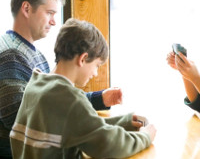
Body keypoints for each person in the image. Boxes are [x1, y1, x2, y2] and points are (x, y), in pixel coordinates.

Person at [0, 0, 121, 158]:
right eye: (49, 13)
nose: (54, 22)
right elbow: (19, 119)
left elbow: (50, 102)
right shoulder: (12, 55)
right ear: (26, 9)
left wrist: (98, 99)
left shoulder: (29, 52)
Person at [9, 18, 157, 158]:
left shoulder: (36, 85)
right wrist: (145, 137)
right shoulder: (69, 99)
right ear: (83, 59)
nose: (95, 73)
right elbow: (107, 143)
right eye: (97, 66)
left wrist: (126, 122)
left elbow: (82, 127)